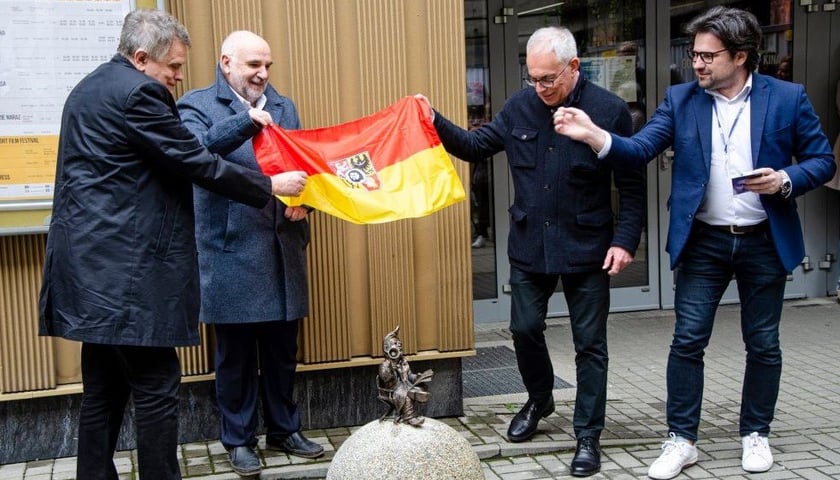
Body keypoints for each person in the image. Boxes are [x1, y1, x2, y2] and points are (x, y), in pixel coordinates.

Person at [553, 7, 835, 479]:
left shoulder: (787, 98)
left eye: (708, 55)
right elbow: (640, 149)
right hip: (704, 241)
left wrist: (786, 178)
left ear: (740, 56)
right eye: (694, 54)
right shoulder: (682, 100)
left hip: (764, 240)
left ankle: (755, 433)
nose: (697, 64)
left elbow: (822, 160)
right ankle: (682, 440)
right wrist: (596, 136)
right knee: (687, 341)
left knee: (763, 343)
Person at [37, 11, 307, 480]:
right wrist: (270, 186)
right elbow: (196, 162)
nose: (178, 77)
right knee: (157, 387)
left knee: (102, 389)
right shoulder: (140, 93)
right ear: (142, 58)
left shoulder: (89, 87)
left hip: (88, 270)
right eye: (173, 66)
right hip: (127, 276)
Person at [420, 26, 646, 477]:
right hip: (530, 244)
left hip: (588, 247)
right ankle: (540, 398)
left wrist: (625, 241)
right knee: (523, 329)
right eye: (533, 79)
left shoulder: (609, 110)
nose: (540, 89)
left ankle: (587, 435)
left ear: (574, 67)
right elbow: (474, 146)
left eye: (549, 79)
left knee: (590, 346)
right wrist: (433, 119)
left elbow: (633, 185)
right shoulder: (521, 107)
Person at [176, 30, 323, 476]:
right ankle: (238, 440)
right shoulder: (195, 106)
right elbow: (195, 155)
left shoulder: (285, 105)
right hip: (230, 251)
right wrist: (247, 120)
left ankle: (284, 429)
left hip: (281, 247)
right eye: (253, 66)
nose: (263, 74)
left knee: (282, 351)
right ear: (226, 63)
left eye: (267, 66)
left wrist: (307, 201)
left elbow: (304, 165)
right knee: (235, 357)